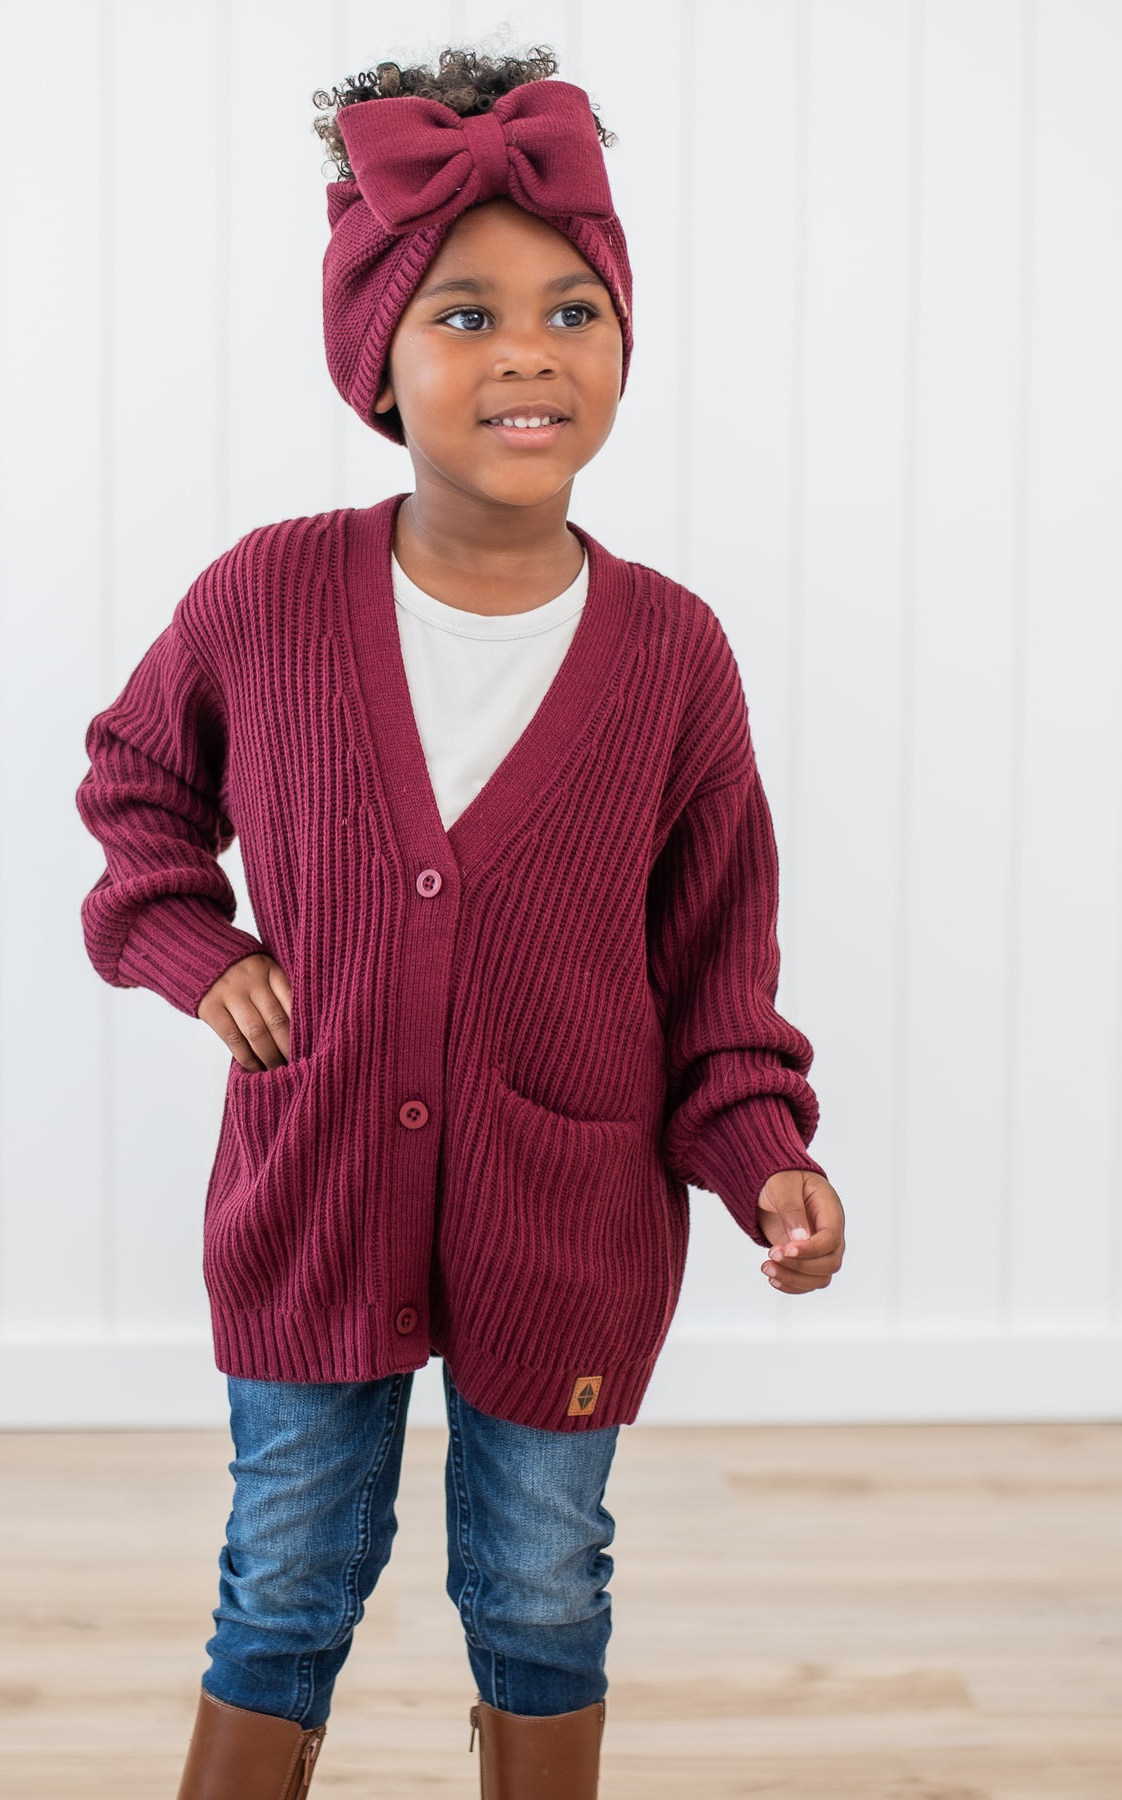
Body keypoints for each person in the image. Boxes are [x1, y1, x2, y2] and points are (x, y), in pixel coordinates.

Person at [74, 44, 847, 1800]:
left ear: (625, 346)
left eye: (575, 309)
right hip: (313, 1200)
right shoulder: (267, 599)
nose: (527, 353)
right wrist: (206, 954)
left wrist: (765, 1153)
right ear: (376, 361)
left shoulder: (672, 654)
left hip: (564, 1219)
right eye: (466, 314)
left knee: (543, 1584)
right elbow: (134, 794)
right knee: (281, 1580)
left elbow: (717, 966)